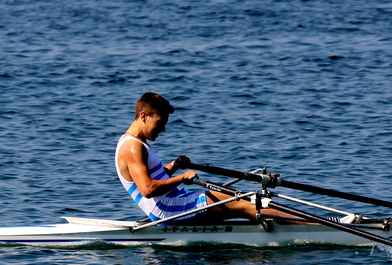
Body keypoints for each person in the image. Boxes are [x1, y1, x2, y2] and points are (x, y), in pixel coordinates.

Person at [115, 92, 303, 224]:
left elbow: (154, 178)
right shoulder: (133, 147)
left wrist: (174, 166)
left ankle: (287, 224)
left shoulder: (133, 142)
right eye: (160, 123)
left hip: (174, 200)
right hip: (168, 208)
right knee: (247, 201)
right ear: (144, 115)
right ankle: (315, 226)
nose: (163, 129)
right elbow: (147, 189)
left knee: (247, 199)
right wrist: (182, 178)